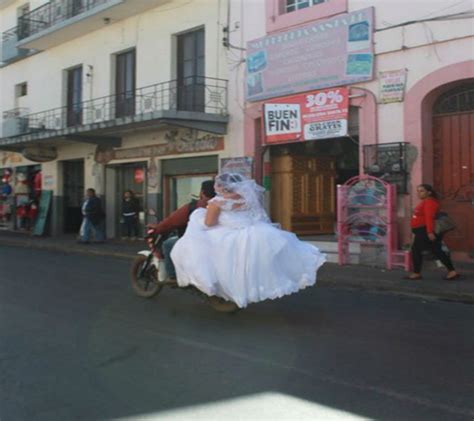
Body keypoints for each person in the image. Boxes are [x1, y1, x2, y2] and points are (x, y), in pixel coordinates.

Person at [170, 173, 327, 308]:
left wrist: (199, 217)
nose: (216, 187)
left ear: (223, 187)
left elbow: (209, 223)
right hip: (253, 230)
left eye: (218, 184)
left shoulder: (216, 202)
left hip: (229, 233)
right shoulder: (246, 199)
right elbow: (254, 216)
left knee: (191, 247)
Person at [146, 180, 216, 280]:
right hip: (216, 241)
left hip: (195, 241)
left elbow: (170, 222)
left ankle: (172, 275)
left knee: (167, 244)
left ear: (202, 193)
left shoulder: (194, 207)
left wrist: (157, 228)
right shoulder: (223, 205)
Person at [406, 184, 459, 280]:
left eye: (421, 191)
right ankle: (452, 271)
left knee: (416, 250)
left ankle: (416, 273)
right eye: (418, 191)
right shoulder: (426, 202)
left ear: (429, 192)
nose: (419, 193)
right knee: (437, 250)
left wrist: (430, 232)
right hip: (423, 230)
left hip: (424, 231)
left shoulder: (430, 202)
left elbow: (429, 218)